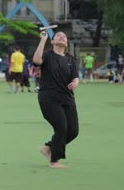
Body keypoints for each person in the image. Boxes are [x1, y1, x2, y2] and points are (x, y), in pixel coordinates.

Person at [33, 30, 79, 169]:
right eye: (58, 35)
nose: (62, 37)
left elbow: (75, 76)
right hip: (49, 98)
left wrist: (76, 82)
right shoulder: (47, 55)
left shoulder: (71, 59)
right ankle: (54, 160)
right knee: (61, 128)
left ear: (66, 43)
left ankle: (48, 148)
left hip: (67, 98)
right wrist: (42, 39)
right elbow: (36, 61)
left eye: (64, 36)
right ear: (52, 42)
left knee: (73, 131)